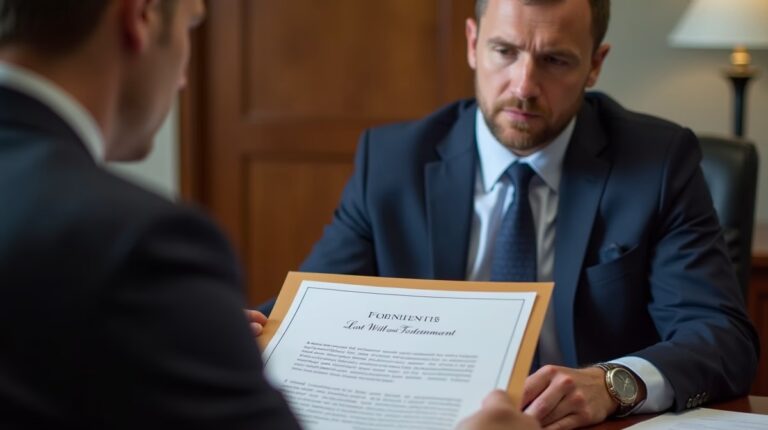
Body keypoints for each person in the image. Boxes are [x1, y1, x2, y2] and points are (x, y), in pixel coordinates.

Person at [0, 1, 537, 429]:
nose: (184, 78)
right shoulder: (142, 243)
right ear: (139, 17)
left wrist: (189, 332)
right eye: (191, 26)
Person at [288, 0, 760, 428]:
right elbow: (313, 309)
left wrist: (613, 384)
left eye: (555, 60)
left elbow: (721, 338)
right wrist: (258, 331)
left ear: (595, 65)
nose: (524, 86)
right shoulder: (393, 162)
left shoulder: (657, 164)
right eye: (505, 51)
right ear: (473, 44)